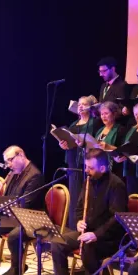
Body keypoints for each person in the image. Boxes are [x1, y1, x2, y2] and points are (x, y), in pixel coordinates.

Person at [48, 148, 128, 275]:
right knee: (57, 243)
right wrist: (79, 221)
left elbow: (117, 219)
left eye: (90, 168)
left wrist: (96, 234)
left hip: (109, 238)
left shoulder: (116, 185)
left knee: (88, 246)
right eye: (86, 166)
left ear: (103, 168)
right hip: (87, 232)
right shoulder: (88, 182)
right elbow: (78, 208)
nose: (86, 171)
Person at [0, 146, 45, 275]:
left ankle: (16, 269)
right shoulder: (13, 173)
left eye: (10, 160)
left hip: (32, 218)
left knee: (14, 236)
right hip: (14, 216)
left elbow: (26, 205)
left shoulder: (34, 176)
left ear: (21, 155)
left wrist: (5, 208)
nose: (9, 165)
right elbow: (8, 198)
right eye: (7, 162)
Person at [59, 95, 100, 229]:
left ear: (90, 107)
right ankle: (73, 226)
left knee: (85, 195)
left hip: (86, 163)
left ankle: (85, 226)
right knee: (74, 194)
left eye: (84, 104)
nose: (81, 106)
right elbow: (70, 143)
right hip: (73, 162)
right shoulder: (73, 124)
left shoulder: (94, 123)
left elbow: (96, 143)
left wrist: (84, 144)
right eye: (79, 104)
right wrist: (64, 145)